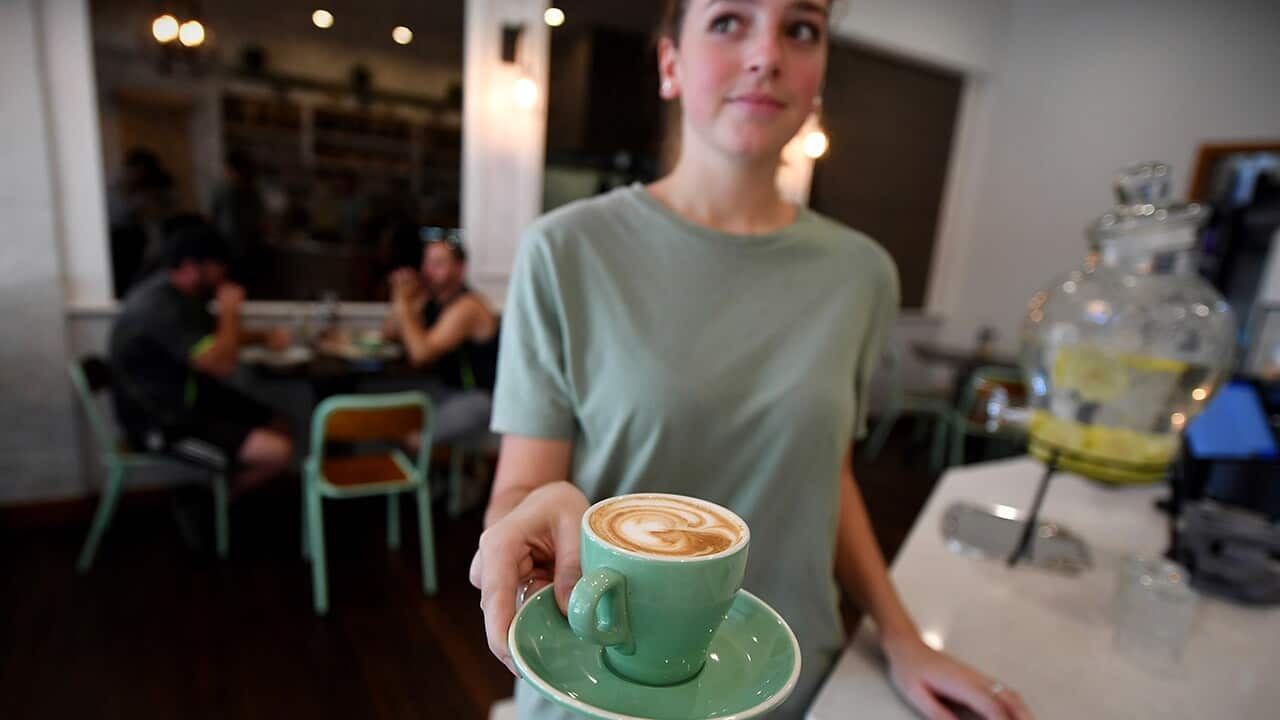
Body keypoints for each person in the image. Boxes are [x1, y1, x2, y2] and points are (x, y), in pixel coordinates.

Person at [469, 2, 1033, 720]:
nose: (767, 53)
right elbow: (521, 490)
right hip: (607, 679)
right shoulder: (566, 252)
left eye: (800, 28)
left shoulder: (863, 275)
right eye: (730, 20)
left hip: (793, 677)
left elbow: (828, 476)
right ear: (670, 65)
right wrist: (526, 517)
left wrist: (899, 634)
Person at [109, 217, 292, 494]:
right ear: (193, 267)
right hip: (161, 422)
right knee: (278, 452)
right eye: (219, 266)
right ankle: (213, 508)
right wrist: (230, 311)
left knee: (278, 422)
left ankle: (230, 506)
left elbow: (213, 343)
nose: (224, 273)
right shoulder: (161, 307)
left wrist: (263, 336)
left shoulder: (182, 295)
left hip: (192, 402)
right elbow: (221, 364)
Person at [383, 232, 500, 447]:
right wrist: (401, 299)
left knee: (413, 439)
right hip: (445, 389)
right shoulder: (431, 300)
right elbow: (389, 334)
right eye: (427, 262)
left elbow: (421, 354)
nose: (429, 270)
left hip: (478, 397)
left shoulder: (467, 307)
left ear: (460, 268)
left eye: (438, 263)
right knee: (390, 417)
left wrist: (403, 305)